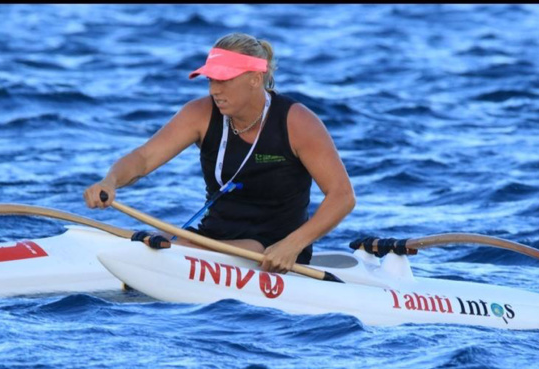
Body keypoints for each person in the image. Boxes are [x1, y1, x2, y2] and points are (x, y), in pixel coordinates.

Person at [84, 33, 355, 274]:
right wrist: (110, 181)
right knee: (151, 240)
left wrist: (293, 244)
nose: (215, 89)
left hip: (271, 251)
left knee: (166, 246)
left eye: (224, 79)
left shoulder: (297, 122)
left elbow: (342, 196)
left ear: (255, 78)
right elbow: (143, 159)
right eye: (211, 79)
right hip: (212, 237)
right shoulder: (199, 114)